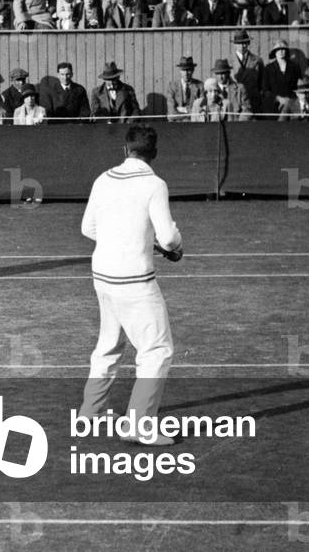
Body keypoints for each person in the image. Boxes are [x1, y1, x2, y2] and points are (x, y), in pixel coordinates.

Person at [78, 124, 182, 443]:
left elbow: (88, 228)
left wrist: (128, 241)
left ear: (126, 150)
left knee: (110, 343)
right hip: (134, 280)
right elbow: (168, 238)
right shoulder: (155, 184)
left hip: (103, 276)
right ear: (154, 155)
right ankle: (138, 426)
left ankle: (91, 413)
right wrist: (171, 248)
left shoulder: (103, 178)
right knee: (157, 350)